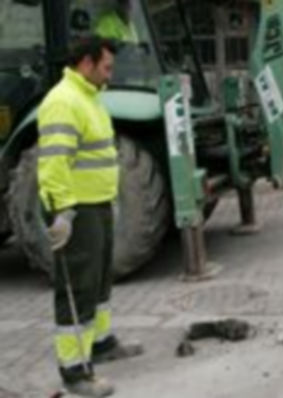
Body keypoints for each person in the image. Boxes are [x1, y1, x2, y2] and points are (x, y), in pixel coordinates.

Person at [38, 36, 143, 397]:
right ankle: (74, 372)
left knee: (99, 283)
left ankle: (101, 344)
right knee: (77, 288)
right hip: (76, 210)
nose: (110, 75)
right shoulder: (63, 102)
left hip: (97, 204)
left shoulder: (89, 98)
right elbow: (53, 164)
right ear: (87, 63)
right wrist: (62, 214)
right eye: (107, 67)